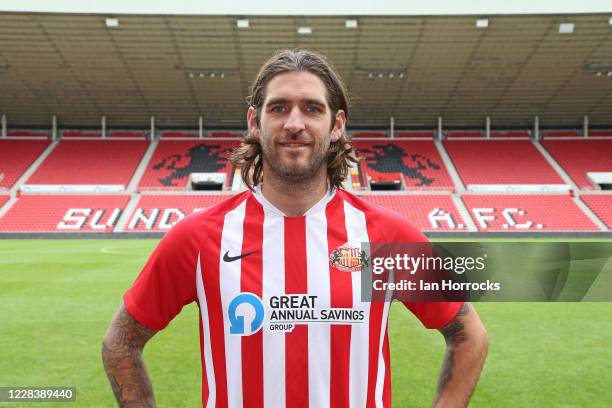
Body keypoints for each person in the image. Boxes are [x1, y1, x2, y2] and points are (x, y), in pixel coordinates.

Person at [102, 49, 488, 408]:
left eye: (312, 109)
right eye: (279, 108)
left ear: (336, 125)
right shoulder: (200, 237)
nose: (294, 123)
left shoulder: (383, 237)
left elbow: (469, 335)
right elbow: (120, 342)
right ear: (255, 122)